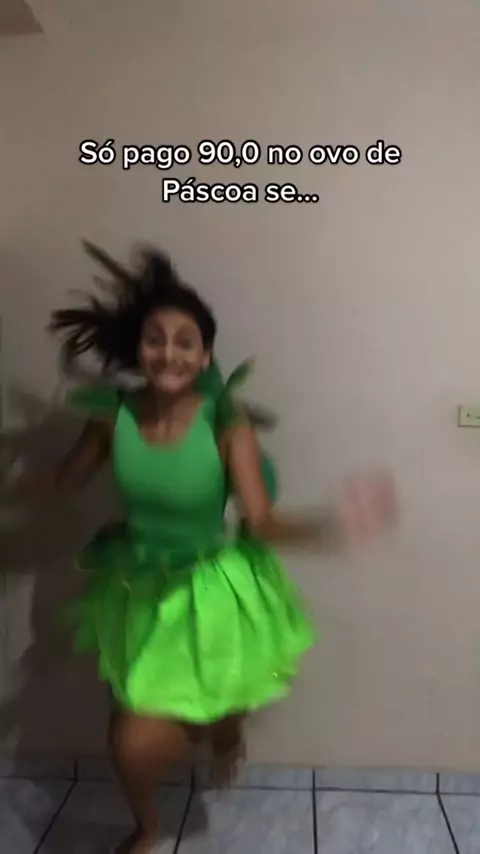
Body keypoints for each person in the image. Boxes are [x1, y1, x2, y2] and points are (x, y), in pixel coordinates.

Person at [28, 241, 397, 854]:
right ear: (138, 351)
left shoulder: (226, 422)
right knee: (130, 737)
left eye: (185, 342)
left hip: (211, 591)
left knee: (215, 704)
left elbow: (263, 521)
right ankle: (149, 827)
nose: (168, 352)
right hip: (139, 590)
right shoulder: (110, 418)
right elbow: (62, 483)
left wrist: (334, 526)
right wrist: (29, 488)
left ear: (205, 357)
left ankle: (226, 729)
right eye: (155, 339)